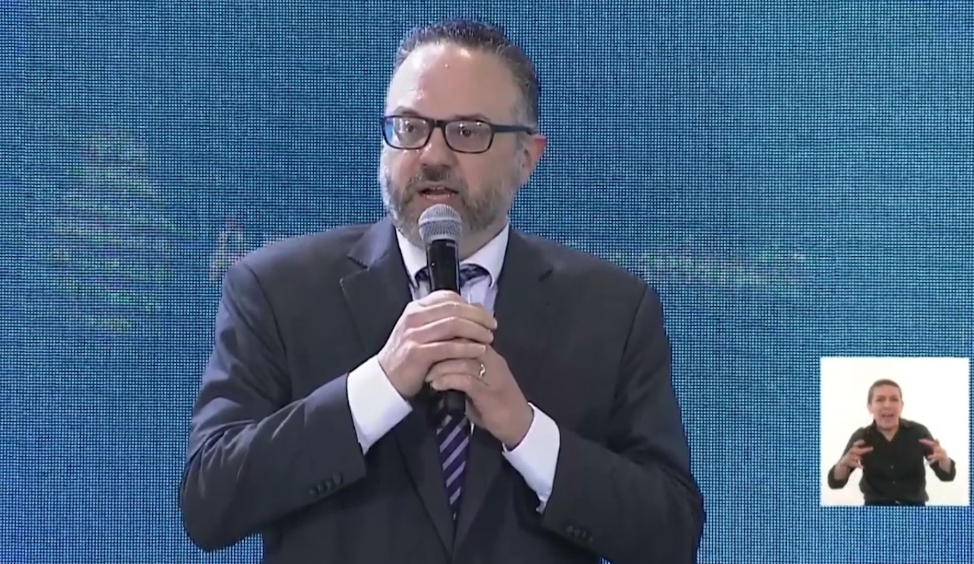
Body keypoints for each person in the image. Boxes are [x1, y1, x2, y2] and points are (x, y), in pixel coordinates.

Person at [178, 19, 705, 564]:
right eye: (410, 127)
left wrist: (526, 432)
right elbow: (210, 503)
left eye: (468, 131)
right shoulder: (277, 289)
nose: (432, 155)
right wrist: (376, 389)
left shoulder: (612, 310)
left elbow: (671, 534)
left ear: (527, 157)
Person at [826, 378, 956, 506]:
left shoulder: (918, 432)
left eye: (894, 399)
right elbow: (835, 483)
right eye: (880, 399)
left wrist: (944, 460)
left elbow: (946, 476)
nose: (887, 405)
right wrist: (842, 465)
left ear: (901, 405)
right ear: (870, 407)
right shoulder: (862, 437)